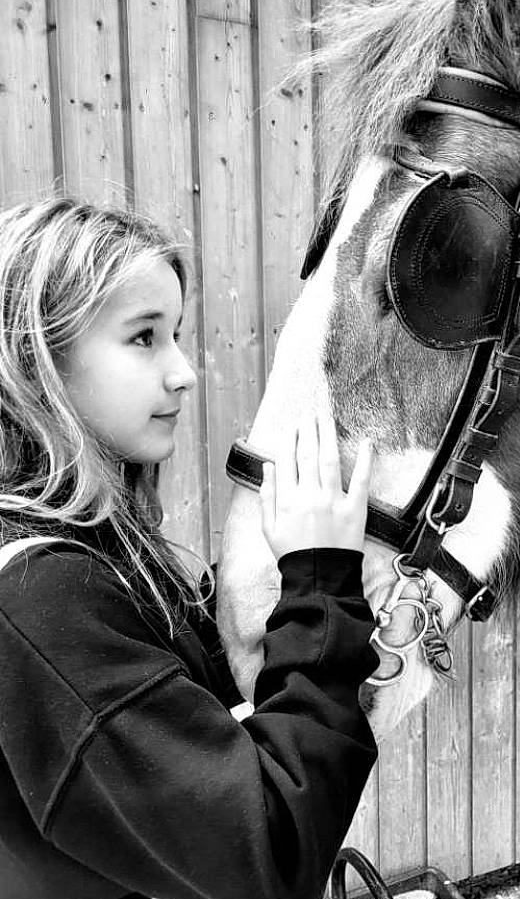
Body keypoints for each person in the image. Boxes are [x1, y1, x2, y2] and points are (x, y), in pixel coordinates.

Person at [0, 197, 378, 899]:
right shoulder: (39, 603)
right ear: (37, 358)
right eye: (144, 337)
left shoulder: (86, 560)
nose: (183, 371)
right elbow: (266, 855)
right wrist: (321, 581)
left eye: (175, 333)